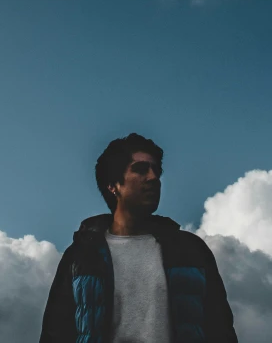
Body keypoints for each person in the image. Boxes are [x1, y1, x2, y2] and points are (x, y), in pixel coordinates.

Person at [39, 132, 238, 343]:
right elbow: (55, 334)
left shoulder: (191, 250)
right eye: (140, 169)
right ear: (113, 185)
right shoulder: (81, 257)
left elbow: (220, 330)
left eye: (156, 171)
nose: (153, 178)